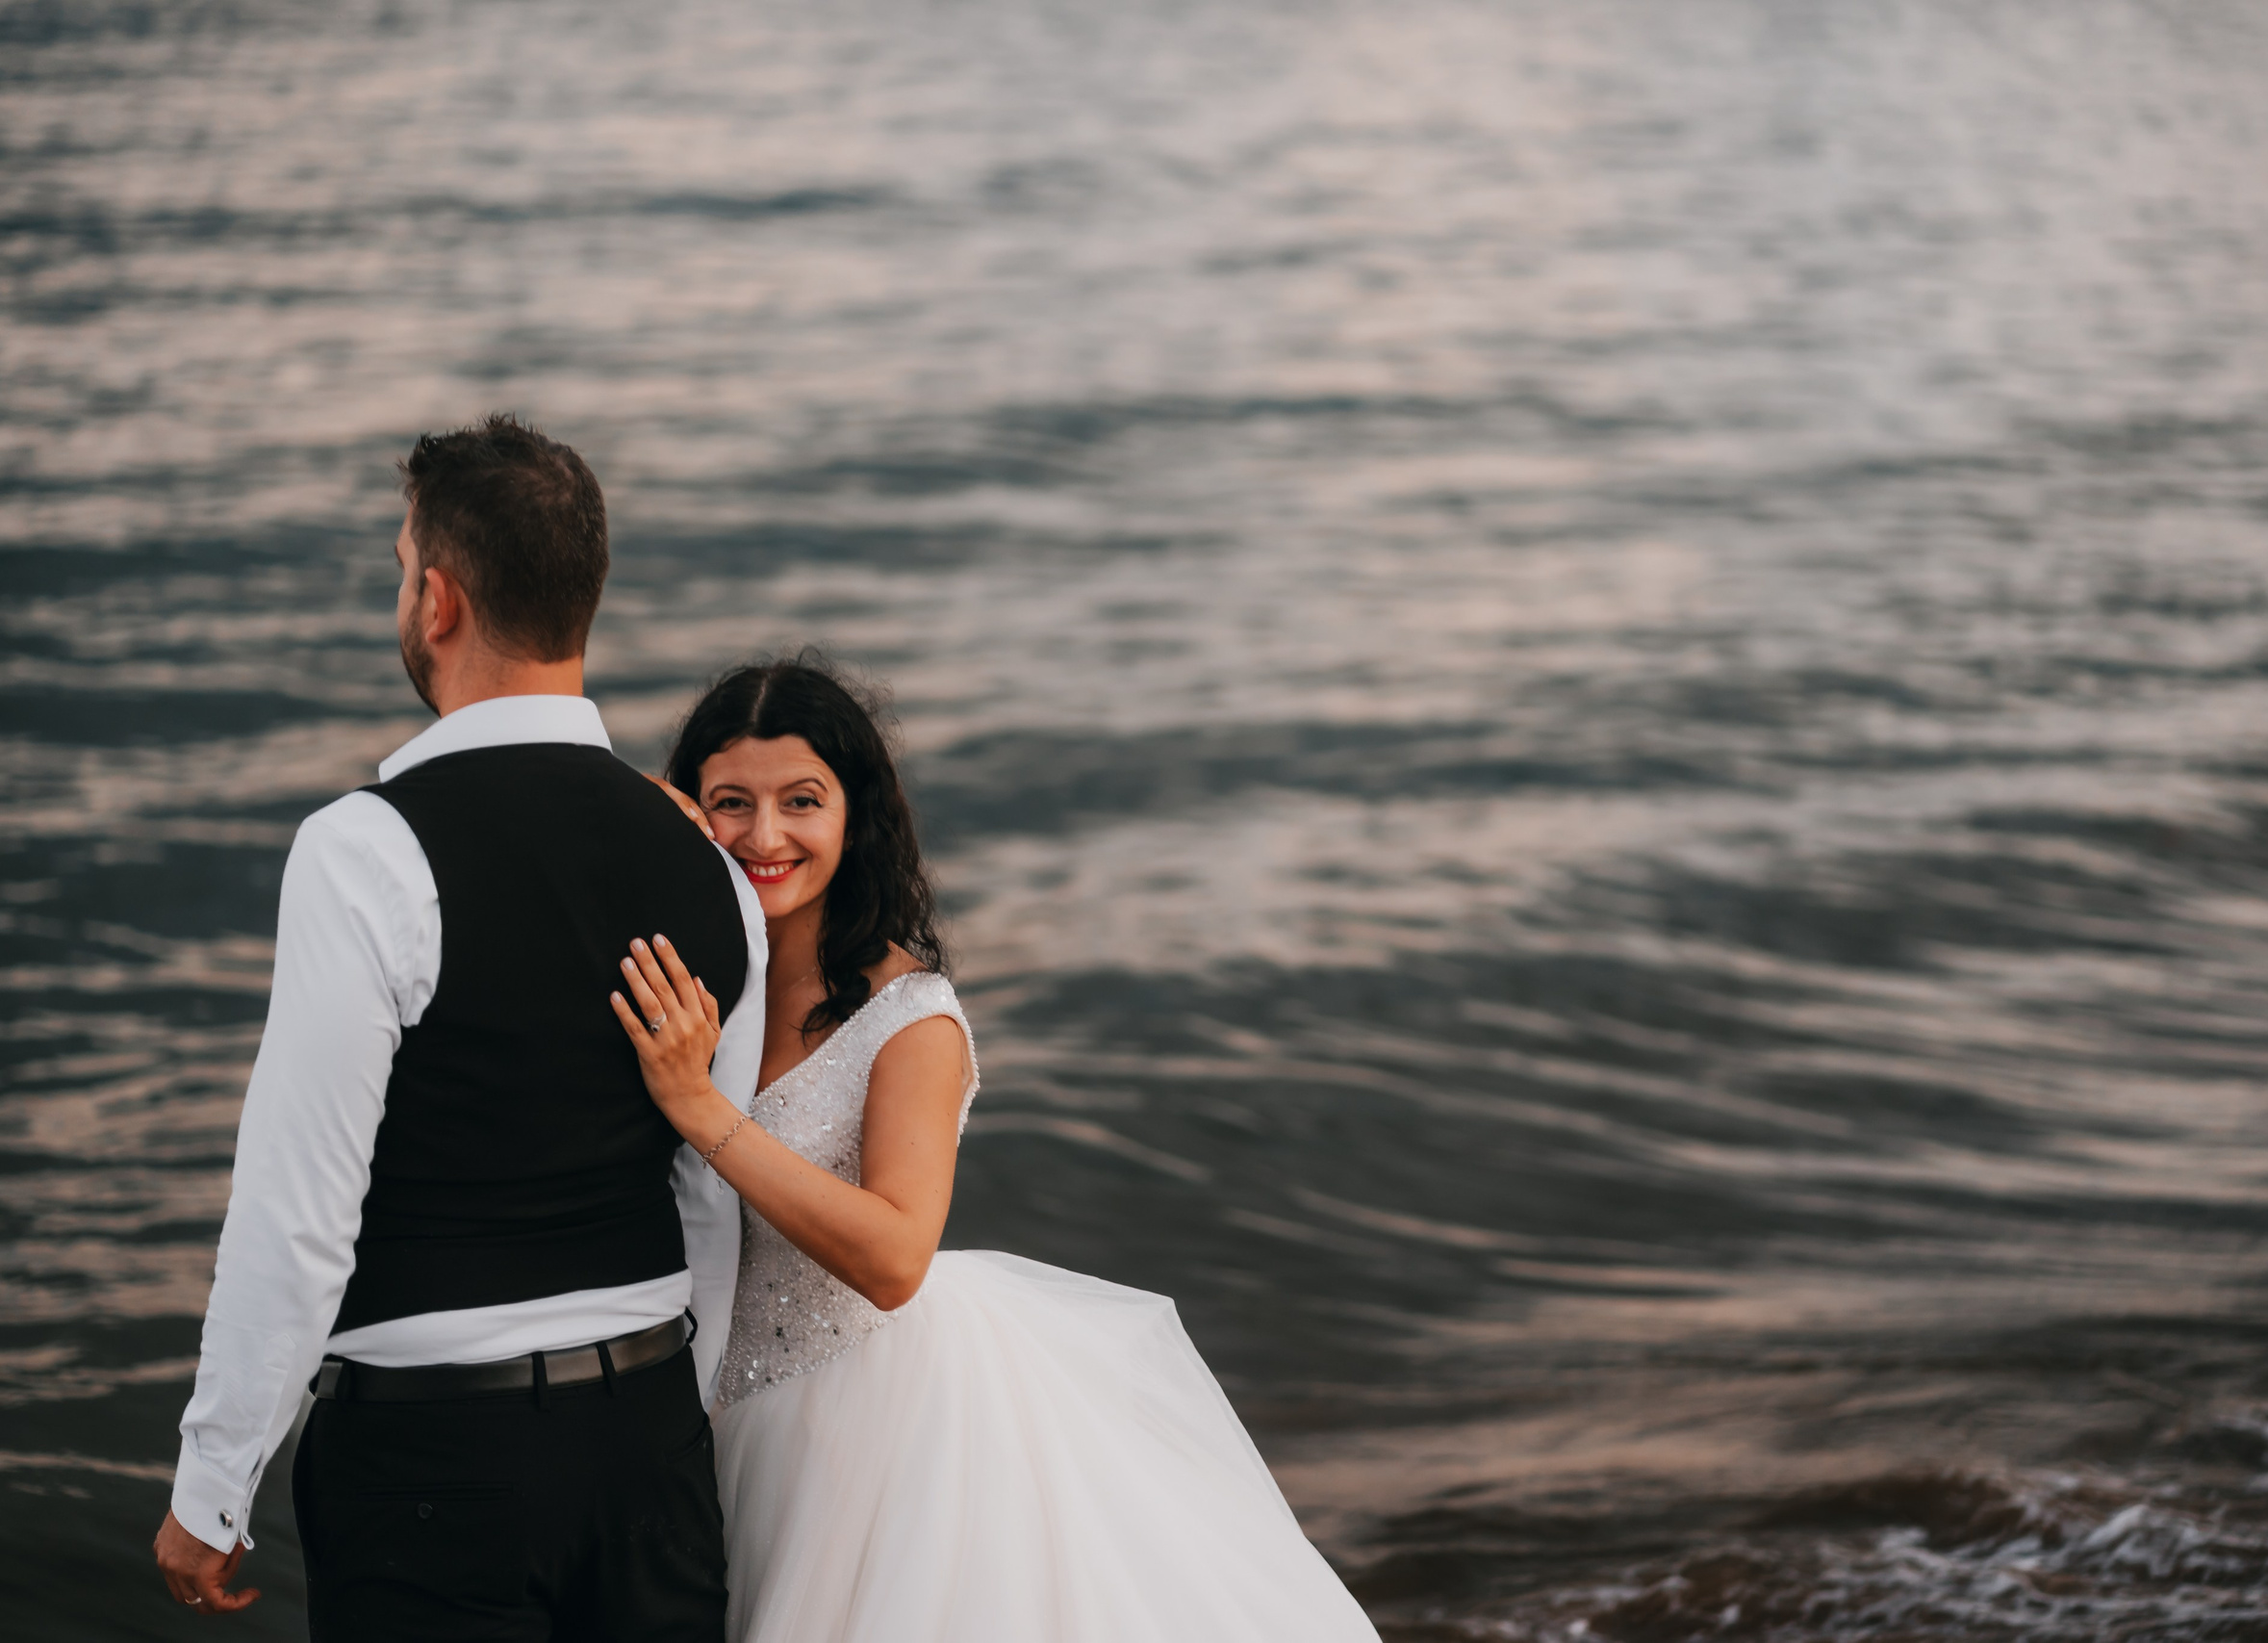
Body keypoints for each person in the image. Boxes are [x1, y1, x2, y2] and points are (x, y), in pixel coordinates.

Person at [615, 655, 1380, 1642]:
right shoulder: (689, 991)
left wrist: (697, 1107)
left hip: (868, 1434)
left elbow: (895, 1259)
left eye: (802, 801)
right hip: (691, 1412)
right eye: (730, 804)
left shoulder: (910, 1020)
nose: (765, 836)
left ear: (856, 817)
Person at [152, 414, 768, 1641]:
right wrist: (663, 1428)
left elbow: (299, 1213)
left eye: (399, 566)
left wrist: (212, 1493)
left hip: (431, 1469)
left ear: (437, 599)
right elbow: (711, 1191)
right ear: (580, 600)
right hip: (649, 1451)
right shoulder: (715, 875)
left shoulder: (362, 850)